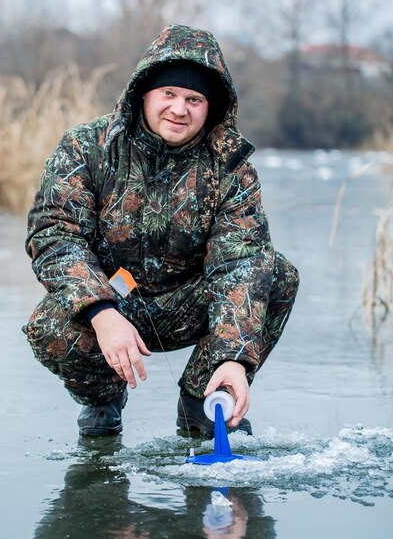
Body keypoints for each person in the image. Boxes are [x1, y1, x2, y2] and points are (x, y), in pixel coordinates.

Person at [23, 24, 299, 437]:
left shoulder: (230, 166)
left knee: (276, 274)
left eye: (194, 98)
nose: (179, 109)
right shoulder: (87, 146)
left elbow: (242, 260)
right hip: (113, 298)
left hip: (188, 302)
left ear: (211, 106)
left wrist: (234, 358)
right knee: (48, 328)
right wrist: (101, 313)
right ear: (144, 93)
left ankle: (202, 401)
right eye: (168, 94)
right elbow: (53, 234)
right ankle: (103, 399)